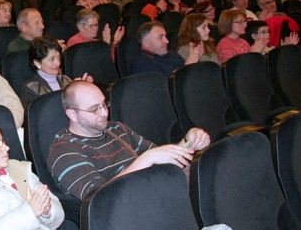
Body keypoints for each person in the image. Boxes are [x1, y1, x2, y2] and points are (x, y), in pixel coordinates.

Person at [48, 81, 210, 200]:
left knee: (208, 171)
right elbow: (98, 199)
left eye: (104, 104)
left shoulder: (116, 129)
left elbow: (162, 158)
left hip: (157, 189)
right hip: (130, 211)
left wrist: (188, 141)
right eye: (94, 109)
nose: (104, 113)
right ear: (72, 114)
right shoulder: (64, 150)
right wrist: (146, 159)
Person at [21, 36, 91, 107]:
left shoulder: (65, 79)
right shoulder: (31, 88)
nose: (58, 63)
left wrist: (80, 88)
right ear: (37, 63)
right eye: (52, 59)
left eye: (59, 58)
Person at [132, 21, 201, 76]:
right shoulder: (142, 63)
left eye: (165, 36)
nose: (167, 41)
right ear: (147, 43)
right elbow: (165, 87)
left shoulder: (172, 54)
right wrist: (188, 67)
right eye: (160, 37)